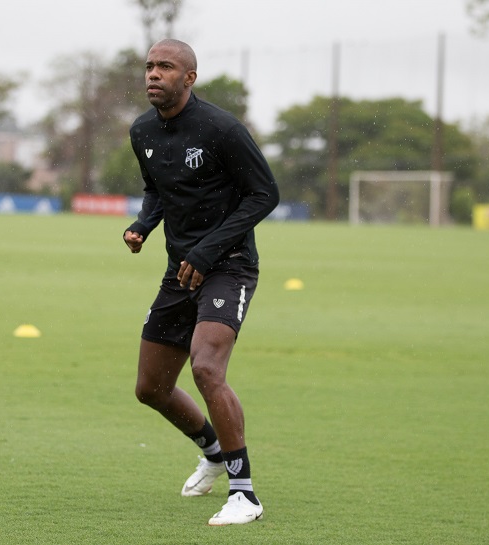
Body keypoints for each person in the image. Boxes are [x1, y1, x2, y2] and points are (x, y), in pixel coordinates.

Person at [123, 38, 280, 526]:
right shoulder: (143, 131)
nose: (154, 74)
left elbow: (264, 194)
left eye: (165, 67)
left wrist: (210, 247)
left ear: (189, 78)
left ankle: (244, 493)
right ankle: (211, 451)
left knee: (207, 368)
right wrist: (144, 225)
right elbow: (158, 191)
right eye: (149, 66)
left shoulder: (222, 129)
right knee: (150, 387)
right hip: (181, 268)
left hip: (228, 265)